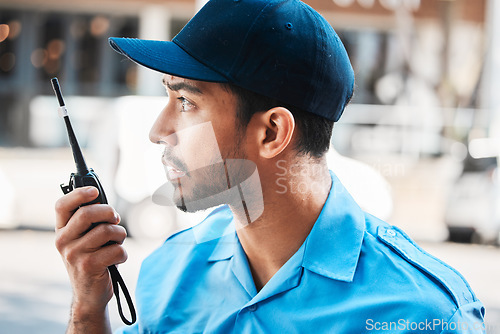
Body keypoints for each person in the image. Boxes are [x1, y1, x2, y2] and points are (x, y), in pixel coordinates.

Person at [54, 0, 486, 333]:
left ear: (272, 132)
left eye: (186, 102)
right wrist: (89, 310)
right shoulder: (168, 273)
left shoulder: (419, 312)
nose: (157, 130)